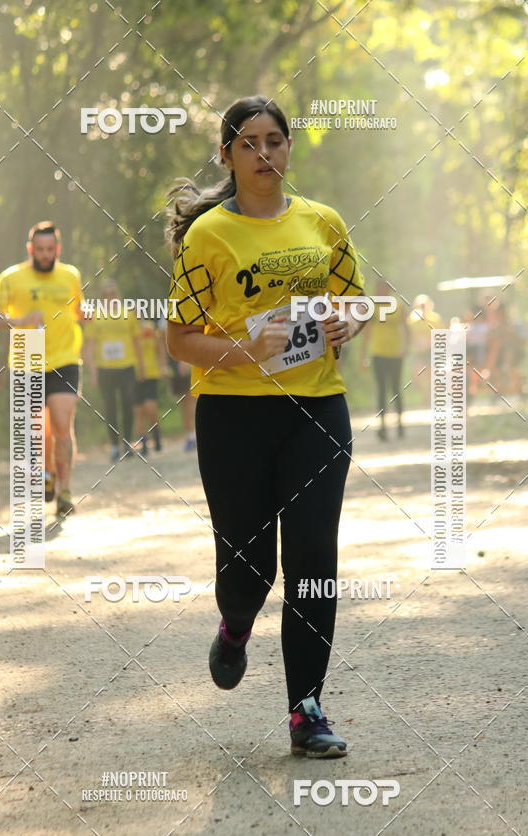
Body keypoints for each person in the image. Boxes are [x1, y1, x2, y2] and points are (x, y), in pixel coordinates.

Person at [165, 94, 368, 758]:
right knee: (249, 568)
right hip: (234, 415)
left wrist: (347, 321)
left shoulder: (323, 222)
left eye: (274, 140)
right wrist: (246, 351)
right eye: (248, 143)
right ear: (226, 156)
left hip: (317, 408)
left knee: (313, 558)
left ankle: (306, 710)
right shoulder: (207, 236)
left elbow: (357, 300)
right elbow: (180, 339)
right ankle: (235, 625)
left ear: (289, 148)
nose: (263, 153)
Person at [0, 221, 84, 517]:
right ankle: (46, 474)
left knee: (62, 423)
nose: (45, 255)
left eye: (50, 249)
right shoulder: (11, 277)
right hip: (27, 357)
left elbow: (79, 311)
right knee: (37, 429)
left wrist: (91, 314)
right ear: (30, 249)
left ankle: (65, 491)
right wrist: (20, 321)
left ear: (58, 249)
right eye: (39, 249)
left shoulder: (70, 275)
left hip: (65, 358)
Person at [84, 280, 144, 461]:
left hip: (127, 366)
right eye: (106, 295)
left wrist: (141, 366)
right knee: (110, 407)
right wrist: (93, 372)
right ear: (102, 297)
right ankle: (114, 446)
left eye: (112, 294)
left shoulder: (128, 313)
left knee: (127, 403)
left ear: (118, 295)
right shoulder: (95, 316)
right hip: (104, 368)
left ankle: (127, 443)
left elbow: (136, 340)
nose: (110, 297)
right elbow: (90, 345)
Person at [362, 279, 409, 440]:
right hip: (378, 353)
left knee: (396, 388)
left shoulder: (398, 305)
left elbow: (405, 327)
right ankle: (382, 427)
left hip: (395, 353)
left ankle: (400, 424)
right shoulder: (372, 306)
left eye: (384, 288)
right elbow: (367, 331)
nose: (381, 291)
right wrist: (363, 356)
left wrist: (405, 347)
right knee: (382, 389)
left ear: (389, 290)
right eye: (379, 288)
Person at [133, 314, 167, 455]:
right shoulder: (127, 329)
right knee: (139, 411)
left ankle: (156, 434)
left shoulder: (149, 328)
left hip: (151, 373)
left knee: (150, 407)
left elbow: (160, 348)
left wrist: (163, 366)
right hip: (133, 375)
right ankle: (143, 443)